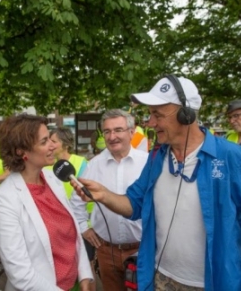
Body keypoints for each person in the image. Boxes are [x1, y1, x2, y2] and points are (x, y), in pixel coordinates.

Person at [71, 76, 241, 291]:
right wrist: (104, 195)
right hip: (161, 279)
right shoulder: (157, 157)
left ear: (186, 114)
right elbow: (134, 204)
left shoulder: (231, 156)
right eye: (150, 114)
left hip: (213, 282)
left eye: (157, 114)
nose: (150, 122)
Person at [0, 114, 93, 291]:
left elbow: (74, 235)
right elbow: (20, 273)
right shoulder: (4, 199)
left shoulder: (54, 178)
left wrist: (85, 274)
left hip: (75, 284)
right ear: (21, 151)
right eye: (44, 141)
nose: (53, 146)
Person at [70, 109, 149, 291]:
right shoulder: (94, 165)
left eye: (118, 130)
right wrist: (84, 228)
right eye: (107, 131)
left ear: (131, 132)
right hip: (107, 252)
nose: (112, 136)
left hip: (142, 250)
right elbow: (76, 202)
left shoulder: (147, 162)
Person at [49, 126, 96, 291]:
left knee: (87, 272)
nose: (50, 145)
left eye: (53, 141)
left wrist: (86, 226)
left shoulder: (82, 163)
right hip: (58, 230)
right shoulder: (47, 167)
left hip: (82, 229)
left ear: (65, 144)